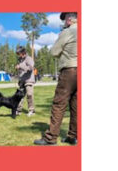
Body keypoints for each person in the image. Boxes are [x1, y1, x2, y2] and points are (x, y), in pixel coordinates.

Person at [34, 12, 78, 145]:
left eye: (64, 19)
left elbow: (54, 52)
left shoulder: (68, 32)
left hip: (69, 70)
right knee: (76, 106)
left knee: (59, 104)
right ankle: (73, 136)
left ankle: (50, 137)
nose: (64, 22)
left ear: (69, 20)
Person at [15, 46, 35, 116]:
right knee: (20, 96)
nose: (18, 55)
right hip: (22, 80)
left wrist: (20, 66)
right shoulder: (20, 60)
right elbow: (21, 71)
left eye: (19, 53)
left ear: (23, 52)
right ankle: (18, 110)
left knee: (29, 95)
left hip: (29, 80)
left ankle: (31, 111)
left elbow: (31, 68)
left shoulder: (29, 59)